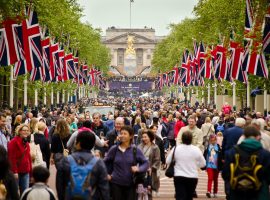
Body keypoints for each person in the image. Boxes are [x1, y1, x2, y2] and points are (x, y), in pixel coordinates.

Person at [56, 130, 110, 200]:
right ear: (93, 144)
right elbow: (104, 188)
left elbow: (59, 185)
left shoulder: (66, 160)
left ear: (78, 143)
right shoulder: (98, 162)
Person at [222, 126, 270, 200]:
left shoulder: (231, 152)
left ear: (244, 136)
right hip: (259, 193)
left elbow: (225, 174)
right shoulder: (265, 154)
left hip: (236, 192)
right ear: (258, 137)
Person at [104, 126, 149, 200]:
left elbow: (146, 163)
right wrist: (106, 174)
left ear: (131, 136)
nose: (122, 135)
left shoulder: (135, 150)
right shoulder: (114, 149)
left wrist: (138, 169)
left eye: (125, 134)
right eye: (121, 133)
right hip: (115, 183)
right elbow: (103, 163)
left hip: (131, 184)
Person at [166, 131, 206, 200]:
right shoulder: (196, 149)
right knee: (189, 197)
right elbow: (203, 164)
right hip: (192, 176)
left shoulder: (176, 148)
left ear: (182, 139)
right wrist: (196, 164)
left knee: (180, 196)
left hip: (179, 175)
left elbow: (168, 161)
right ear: (191, 139)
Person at [8, 124, 32, 195]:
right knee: (14, 193)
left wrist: (31, 172)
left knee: (25, 193)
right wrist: (14, 171)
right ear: (20, 131)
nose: (26, 132)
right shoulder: (13, 142)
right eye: (24, 130)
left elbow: (29, 158)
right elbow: (11, 158)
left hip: (25, 171)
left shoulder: (26, 143)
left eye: (27, 131)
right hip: (16, 172)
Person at [138, 129, 161, 198]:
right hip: (140, 171)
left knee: (148, 192)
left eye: (145, 137)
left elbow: (157, 160)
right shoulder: (139, 146)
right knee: (139, 192)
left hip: (149, 172)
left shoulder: (155, 147)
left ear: (150, 137)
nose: (144, 139)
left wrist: (152, 168)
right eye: (143, 137)